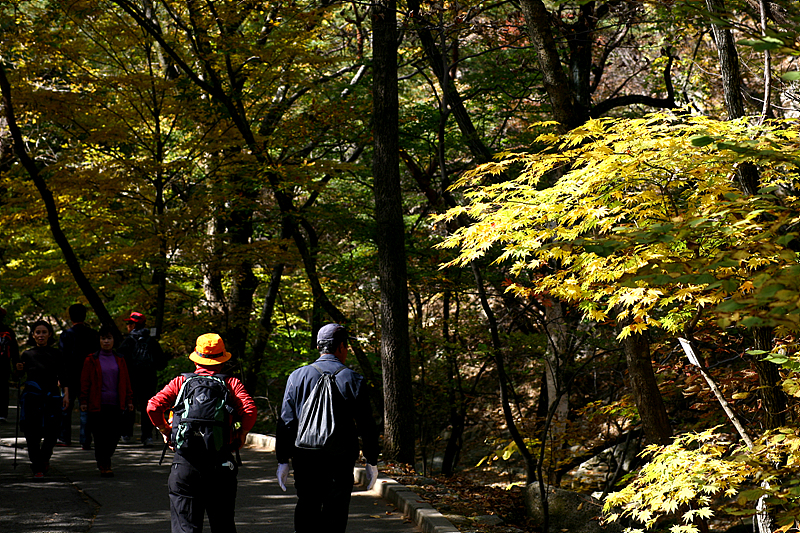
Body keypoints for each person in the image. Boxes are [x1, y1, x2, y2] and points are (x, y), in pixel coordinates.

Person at [275, 323, 380, 533]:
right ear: (341, 347)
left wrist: (282, 460)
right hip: (340, 459)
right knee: (336, 511)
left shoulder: (297, 376)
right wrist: (371, 460)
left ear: (318, 347)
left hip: (305, 457)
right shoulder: (354, 379)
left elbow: (286, 421)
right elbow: (366, 424)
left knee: (307, 505)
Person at [147, 333, 256, 533]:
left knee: (185, 528)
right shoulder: (231, 384)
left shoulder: (181, 382)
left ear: (196, 357)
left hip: (185, 465)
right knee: (222, 525)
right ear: (223, 358)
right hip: (220, 464)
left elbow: (153, 407)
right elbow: (249, 410)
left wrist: (165, 430)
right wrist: (243, 433)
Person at [15, 320, 69, 478]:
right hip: (32, 398)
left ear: (49, 334)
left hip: (52, 397)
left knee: (52, 433)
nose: (41, 335)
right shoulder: (27, 354)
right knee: (32, 433)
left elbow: (63, 375)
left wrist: (66, 394)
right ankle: (37, 466)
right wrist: (18, 369)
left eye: (44, 332)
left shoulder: (56, 354)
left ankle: (44, 458)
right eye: (37, 332)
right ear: (33, 335)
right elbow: (18, 376)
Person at [80, 324, 134, 477]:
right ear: (99, 340)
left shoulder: (120, 359)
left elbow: (126, 381)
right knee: (100, 435)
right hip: (97, 404)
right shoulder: (91, 359)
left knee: (115, 434)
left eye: (109, 338)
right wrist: (83, 400)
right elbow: (85, 381)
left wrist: (129, 400)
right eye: (103, 338)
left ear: (113, 340)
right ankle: (104, 463)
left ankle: (106, 457)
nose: (106, 341)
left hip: (116, 403)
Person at [118, 311, 165, 446]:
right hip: (149, 379)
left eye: (129, 323)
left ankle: (126, 434)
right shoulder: (152, 341)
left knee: (129, 405)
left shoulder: (128, 341)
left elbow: (120, 359)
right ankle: (147, 436)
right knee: (147, 407)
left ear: (133, 325)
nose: (127, 326)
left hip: (131, 378)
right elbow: (162, 363)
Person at [58, 303, 99, 448]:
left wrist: (61, 378)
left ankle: (64, 437)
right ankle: (85, 440)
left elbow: (62, 358)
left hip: (70, 375)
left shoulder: (66, 335)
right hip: (88, 376)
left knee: (65, 407)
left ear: (70, 317)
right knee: (85, 407)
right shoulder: (93, 334)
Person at [0, 307, 20, 424]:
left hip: (4, 366)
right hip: (4, 366)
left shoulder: (8, 332)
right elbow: (15, 351)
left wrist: (16, 366)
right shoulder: (8, 332)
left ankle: (2, 414)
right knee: (3, 390)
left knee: (3, 389)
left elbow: (14, 350)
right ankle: (2, 414)